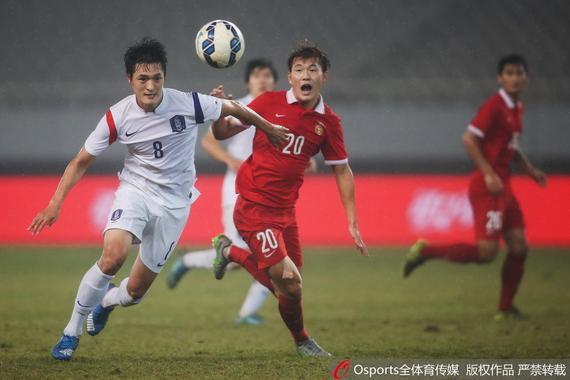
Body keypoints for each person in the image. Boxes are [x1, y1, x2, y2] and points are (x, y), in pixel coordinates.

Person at [28, 38, 288, 361]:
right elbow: (80, 161)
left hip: (175, 204)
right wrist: (55, 203)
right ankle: (71, 331)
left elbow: (233, 109)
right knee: (112, 256)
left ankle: (107, 302)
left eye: (157, 78)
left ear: (165, 77)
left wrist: (269, 129)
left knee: (135, 292)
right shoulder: (117, 116)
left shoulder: (189, 104)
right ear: (130, 80)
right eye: (143, 79)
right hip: (135, 190)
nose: (151, 86)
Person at [208, 43, 368, 357]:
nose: (305, 75)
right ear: (290, 77)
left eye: (312, 69)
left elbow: (342, 170)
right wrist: (217, 111)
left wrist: (352, 221)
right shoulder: (267, 102)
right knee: (289, 284)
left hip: (286, 211)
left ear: (324, 76)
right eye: (299, 70)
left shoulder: (329, 123)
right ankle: (303, 340)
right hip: (253, 207)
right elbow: (222, 133)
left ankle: (228, 251)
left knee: (291, 287)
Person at [402, 54, 547, 320]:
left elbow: (511, 147)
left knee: (519, 246)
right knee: (486, 253)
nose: (515, 78)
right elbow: (469, 138)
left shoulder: (517, 109)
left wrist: (530, 170)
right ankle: (426, 251)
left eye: (519, 73)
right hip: (487, 186)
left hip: (505, 187)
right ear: (500, 78)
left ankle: (505, 308)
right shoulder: (494, 106)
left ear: (526, 78)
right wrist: (488, 172)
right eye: (509, 73)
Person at [166, 59, 279, 326]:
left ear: (275, 81)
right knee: (236, 256)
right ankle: (189, 261)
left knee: (274, 254)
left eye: (267, 75)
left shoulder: (280, 109)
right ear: (248, 82)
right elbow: (208, 140)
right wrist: (231, 161)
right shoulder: (239, 106)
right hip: (238, 191)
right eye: (256, 75)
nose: (261, 79)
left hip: (271, 192)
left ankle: (247, 312)